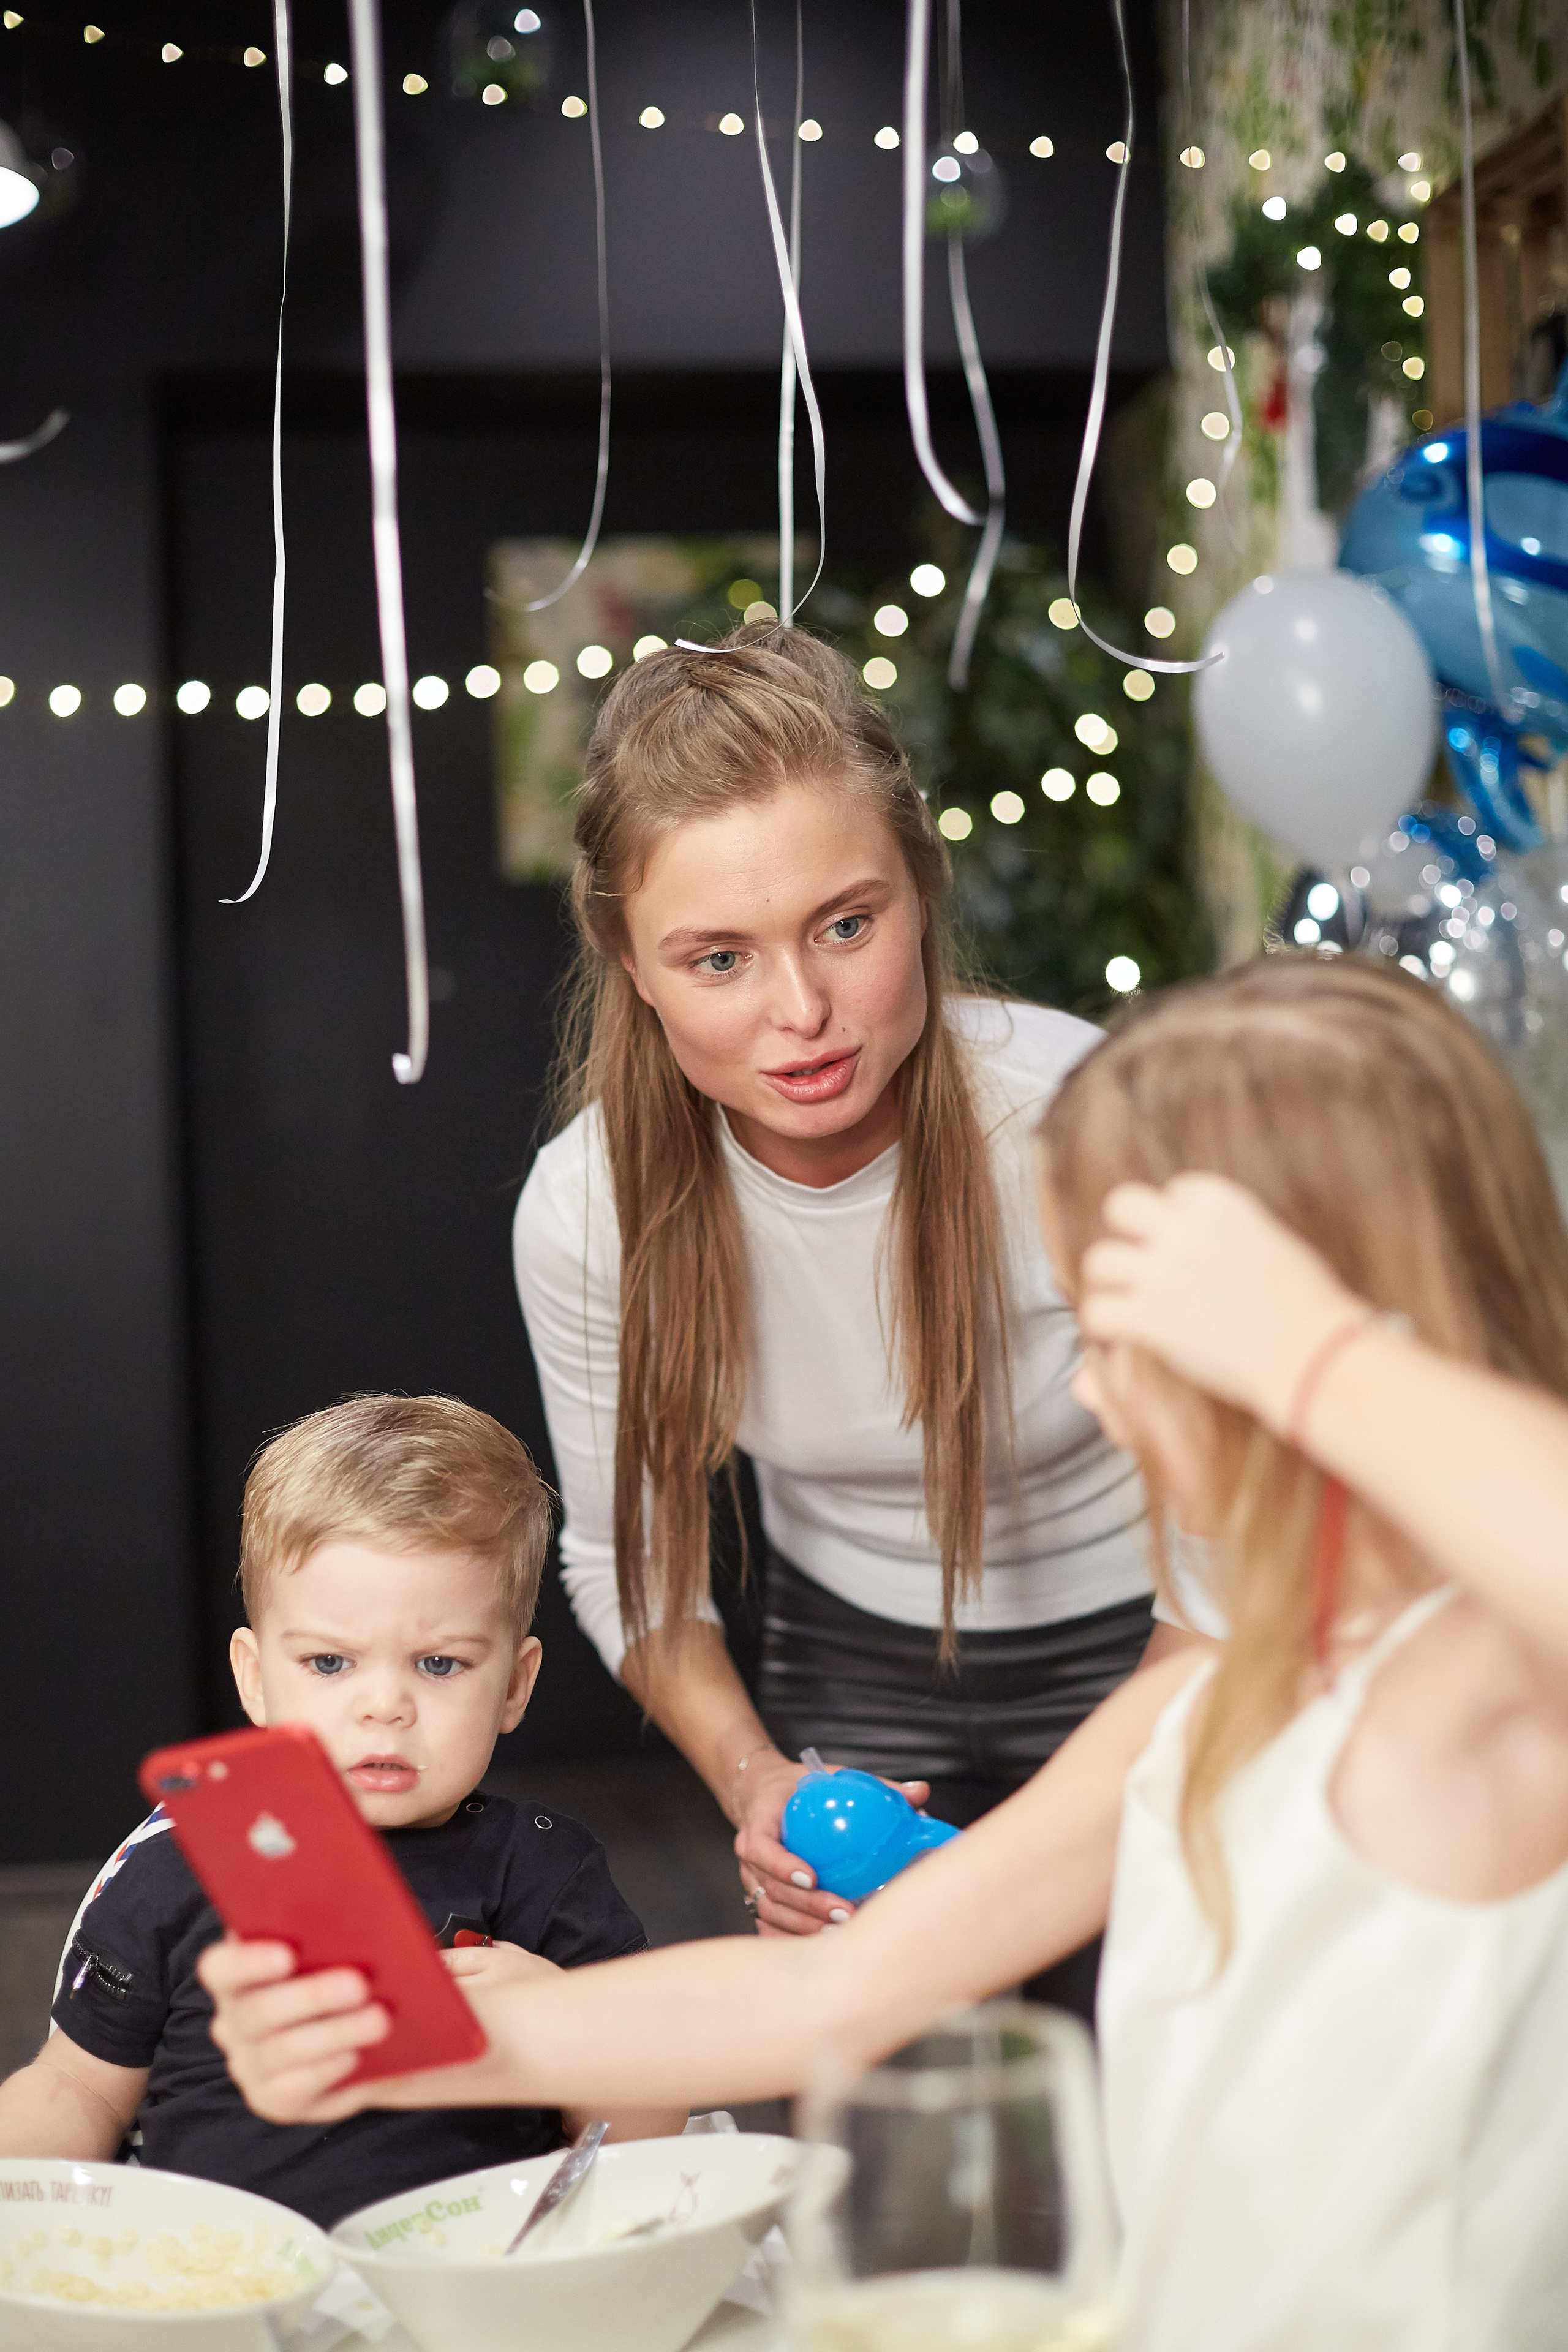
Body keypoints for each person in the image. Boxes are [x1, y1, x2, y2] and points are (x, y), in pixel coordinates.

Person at [205, 960, 1568, 2346]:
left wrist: (1311, 1353)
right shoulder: (1212, 1703)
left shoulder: (1486, 1698)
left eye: (1120, 1337)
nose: (1091, 1392)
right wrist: (423, 2028)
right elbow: (834, 1987)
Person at [513, 624, 1189, 1985]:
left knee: (1153, 2064)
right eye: (717, 959)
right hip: (853, 1650)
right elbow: (627, 1563)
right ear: (630, 963)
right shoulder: (587, 1211)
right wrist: (754, 1777)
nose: (802, 1012)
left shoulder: (1077, 1121)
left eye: (843, 925)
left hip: (1160, 1630)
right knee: (884, 2109)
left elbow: (1240, 1530)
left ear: (917, 896)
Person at [0, 1394, 683, 2226]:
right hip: (218, 2279)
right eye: (330, 1662)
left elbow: (647, 2142)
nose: (385, 1705)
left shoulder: (545, 1873)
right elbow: (77, 2090)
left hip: (471, 2289)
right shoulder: (177, 1863)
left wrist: (570, 2032)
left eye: (439, 1664)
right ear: (254, 1677)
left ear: (514, 1684)